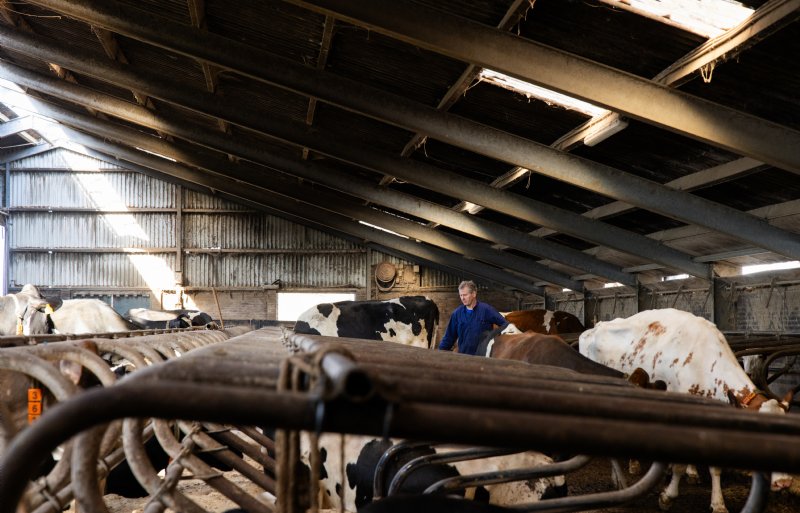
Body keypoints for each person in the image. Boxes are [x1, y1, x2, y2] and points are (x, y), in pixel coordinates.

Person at [438, 280, 509, 355]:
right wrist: (439, 353)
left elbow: (506, 325)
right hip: (464, 357)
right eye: (460, 295)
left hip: (483, 358)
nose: (462, 298)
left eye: (465, 295)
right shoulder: (457, 314)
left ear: (474, 294)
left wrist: (497, 342)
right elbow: (449, 337)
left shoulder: (486, 310)